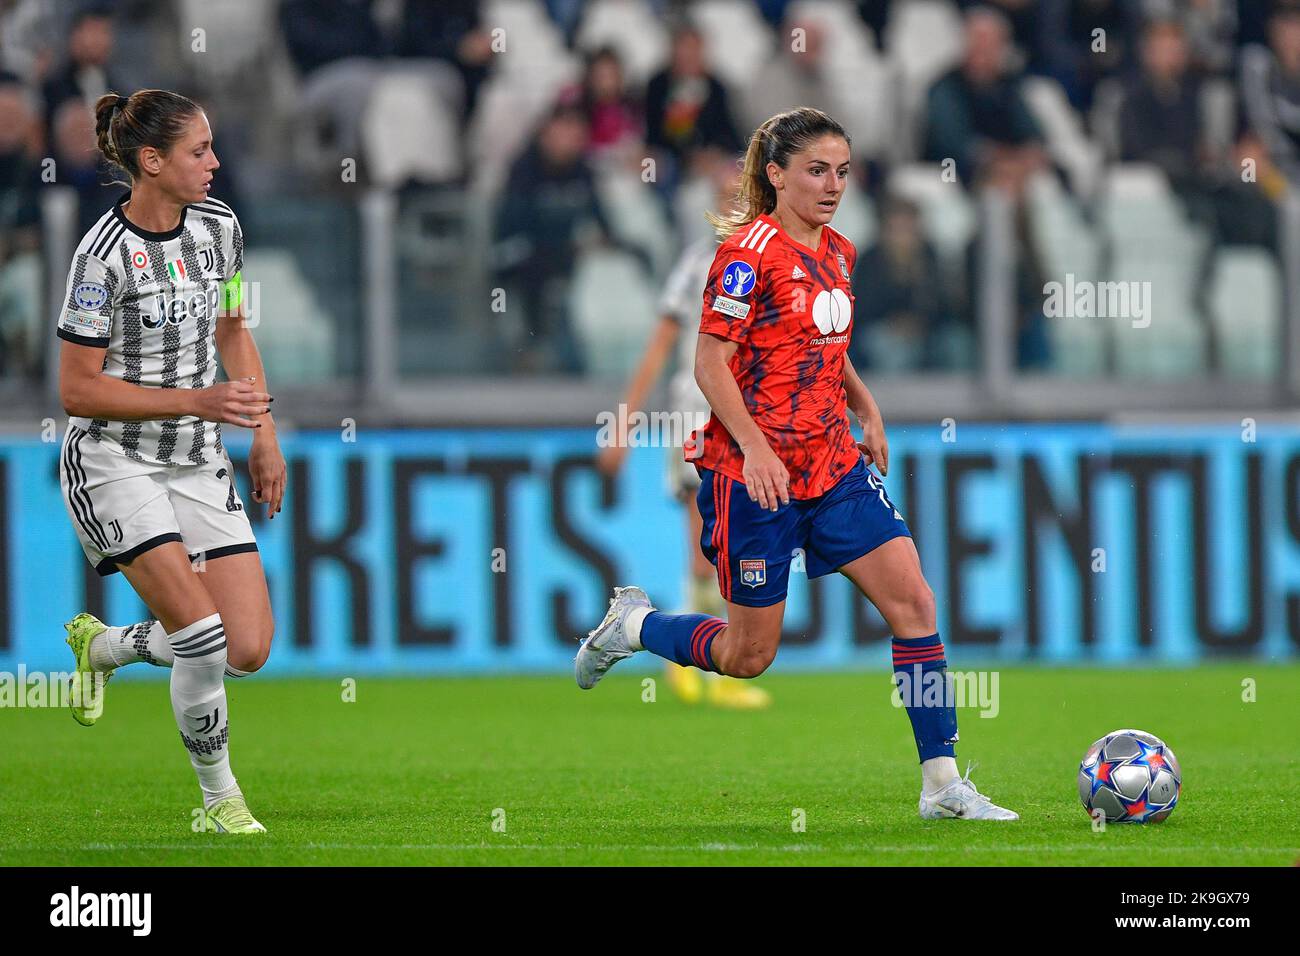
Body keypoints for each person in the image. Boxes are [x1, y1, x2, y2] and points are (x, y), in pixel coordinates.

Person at [575, 107, 1018, 821]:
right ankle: (635, 626)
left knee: (915, 605)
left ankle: (943, 786)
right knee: (748, 655)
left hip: (832, 466)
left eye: (843, 171)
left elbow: (824, 350)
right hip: (755, 476)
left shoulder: (839, 251)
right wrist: (752, 447)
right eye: (817, 170)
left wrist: (866, 409)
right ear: (775, 174)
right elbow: (708, 361)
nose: (833, 184)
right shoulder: (746, 255)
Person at [57, 89, 285, 834]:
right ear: (150, 162)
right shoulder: (99, 260)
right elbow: (76, 389)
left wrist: (263, 429)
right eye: (199, 152)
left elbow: (233, 325)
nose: (216, 163)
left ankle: (108, 646)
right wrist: (198, 403)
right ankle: (220, 801)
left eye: (212, 147)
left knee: (248, 649)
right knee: (202, 638)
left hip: (198, 458)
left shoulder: (222, 227)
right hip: (112, 461)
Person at [596, 158, 770, 709]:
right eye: (727, 197)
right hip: (697, 413)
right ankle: (703, 668)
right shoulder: (701, 262)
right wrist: (624, 423)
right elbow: (661, 344)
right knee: (706, 536)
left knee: (731, 542)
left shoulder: (772, 261)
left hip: (747, 418)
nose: (735, 207)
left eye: (742, 197)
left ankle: (709, 658)